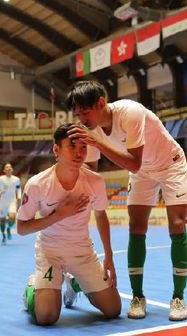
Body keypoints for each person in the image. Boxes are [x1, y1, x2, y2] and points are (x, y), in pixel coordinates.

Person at [66, 81, 187, 321]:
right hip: (143, 171)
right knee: (136, 226)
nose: (82, 118)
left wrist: (97, 142)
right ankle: (137, 296)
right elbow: (91, 170)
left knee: (176, 224)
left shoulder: (130, 112)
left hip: (170, 164)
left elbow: (133, 162)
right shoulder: (89, 131)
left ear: (101, 103)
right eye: (78, 113)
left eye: (85, 111)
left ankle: (178, 297)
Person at [17, 123, 121, 325]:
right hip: (50, 252)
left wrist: (108, 256)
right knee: (47, 317)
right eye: (72, 146)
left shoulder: (95, 181)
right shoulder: (38, 184)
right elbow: (22, 228)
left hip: (82, 252)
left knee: (113, 309)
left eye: (83, 147)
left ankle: (75, 283)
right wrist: (58, 215)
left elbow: (101, 216)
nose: (79, 153)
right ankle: (32, 286)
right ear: (56, 150)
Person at [0, 163, 21, 245]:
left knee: (12, 217)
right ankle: (4, 236)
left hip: (12, 201)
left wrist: (19, 196)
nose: (8, 168)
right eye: (6, 167)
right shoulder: (0, 179)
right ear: (4, 170)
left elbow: (18, 189)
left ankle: (8, 229)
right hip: (3, 203)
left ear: (12, 169)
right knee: (2, 220)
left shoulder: (16, 179)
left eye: (10, 167)